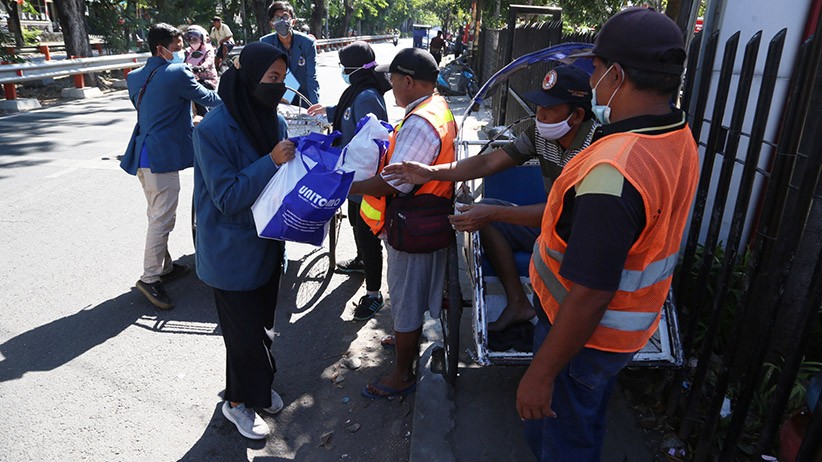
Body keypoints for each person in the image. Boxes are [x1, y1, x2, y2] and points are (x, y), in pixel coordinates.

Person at [514, 8, 699, 460]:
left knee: (562, 441)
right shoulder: (675, 133)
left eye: (595, 68)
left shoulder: (615, 169)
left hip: (581, 337)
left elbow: (591, 292)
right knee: (585, 422)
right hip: (617, 335)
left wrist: (541, 372)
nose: (591, 76)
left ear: (616, 74)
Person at [384, 64, 596, 333]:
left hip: (585, 238)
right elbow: (487, 163)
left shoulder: (596, 146)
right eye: (539, 107)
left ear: (577, 115)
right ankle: (518, 302)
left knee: (489, 213)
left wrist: (494, 214)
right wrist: (431, 172)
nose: (540, 115)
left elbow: (568, 212)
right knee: (484, 209)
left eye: (550, 109)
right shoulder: (538, 133)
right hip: (552, 227)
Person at [192, 42, 296, 440]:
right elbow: (229, 197)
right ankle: (237, 402)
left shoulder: (275, 121)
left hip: (268, 243)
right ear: (250, 79)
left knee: (263, 328)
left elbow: (283, 179)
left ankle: (255, 387)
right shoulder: (212, 130)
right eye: (272, 79)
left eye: (282, 79)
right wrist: (270, 161)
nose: (278, 87)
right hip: (230, 251)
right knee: (243, 337)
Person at [349, 48, 456, 398]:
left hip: (413, 223)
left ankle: (401, 375)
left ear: (408, 81)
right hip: (429, 216)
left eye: (394, 80)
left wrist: (347, 186)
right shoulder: (436, 109)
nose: (390, 87)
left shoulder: (420, 123)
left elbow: (396, 182)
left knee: (408, 297)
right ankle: (404, 337)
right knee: (416, 290)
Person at [121, 22, 221, 310]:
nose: (183, 51)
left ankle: (164, 267)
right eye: (178, 46)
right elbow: (208, 99)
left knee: (157, 213)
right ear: (161, 48)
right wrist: (240, 101)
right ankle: (150, 278)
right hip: (160, 157)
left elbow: (155, 110)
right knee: (162, 218)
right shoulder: (177, 72)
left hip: (141, 153)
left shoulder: (135, 76)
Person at [306, 41, 393, 321]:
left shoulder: (367, 95)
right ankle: (359, 261)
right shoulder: (357, 91)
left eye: (344, 66)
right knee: (357, 224)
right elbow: (347, 114)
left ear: (353, 67)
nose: (343, 71)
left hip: (366, 182)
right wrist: (327, 111)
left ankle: (374, 294)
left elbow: (373, 139)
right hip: (353, 180)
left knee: (369, 234)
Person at [260, 1, 319, 107]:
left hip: (304, 96)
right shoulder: (265, 43)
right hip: (279, 98)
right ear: (271, 24)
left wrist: (314, 105)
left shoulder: (307, 43)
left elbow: (311, 78)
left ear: (293, 21)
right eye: (277, 18)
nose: (282, 21)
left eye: (285, 17)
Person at [183, 25, 218, 116]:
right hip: (192, 79)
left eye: (195, 38)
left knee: (197, 93)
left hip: (208, 80)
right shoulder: (187, 52)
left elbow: (209, 62)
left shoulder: (208, 49)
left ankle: (206, 115)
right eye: (189, 38)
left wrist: (200, 68)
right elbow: (181, 62)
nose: (192, 40)